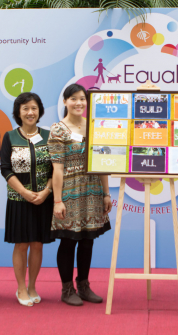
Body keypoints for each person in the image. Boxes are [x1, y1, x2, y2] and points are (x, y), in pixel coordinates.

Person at [49, 83, 112, 306]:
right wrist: (57, 200)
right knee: (68, 242)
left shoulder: (96, 126)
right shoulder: (58, 129)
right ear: (65, 102)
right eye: (73, 98)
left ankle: (84, 286)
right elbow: (56, 168)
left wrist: (106, 193)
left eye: (83, 99)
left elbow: (102, 162)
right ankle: (67, 290)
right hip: (69, 192)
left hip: (93, 191)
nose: (79, 103)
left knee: (87, 241)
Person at [1, 92, 54, 307]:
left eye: (33, 108)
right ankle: (20, 288)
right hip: (18, 199)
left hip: (43, 199)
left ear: (39, 111)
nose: (30, 112)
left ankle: (32, 286)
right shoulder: (10, 136)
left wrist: (46, 192)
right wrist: (24, 192)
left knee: (38, 244)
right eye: (25, 109)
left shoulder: (49, 135)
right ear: (19, 113)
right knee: (21, 244)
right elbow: (4, 168)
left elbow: (56, 168)